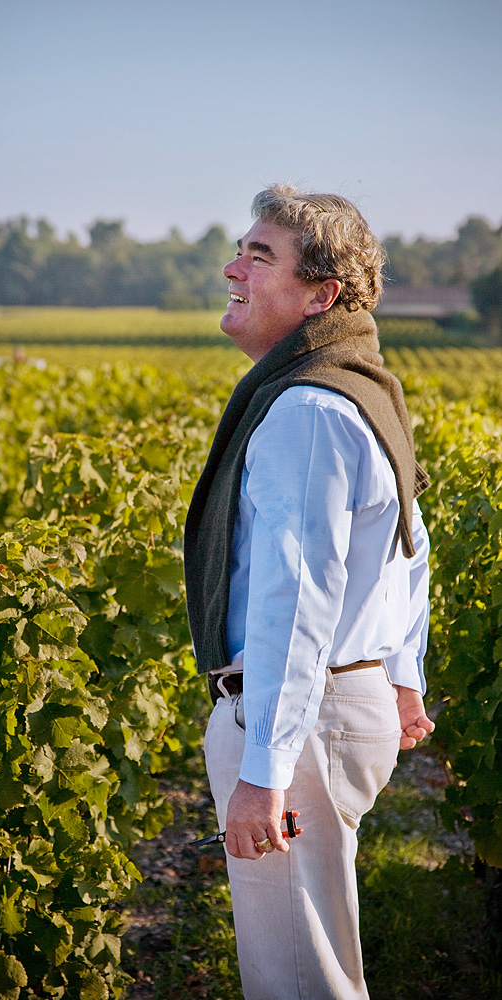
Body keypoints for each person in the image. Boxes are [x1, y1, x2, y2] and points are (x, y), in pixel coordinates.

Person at [183, 185, 435, 1000]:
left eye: (259, 257)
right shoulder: (356, 388)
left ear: (321, 295)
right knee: (308, 956)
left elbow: (296, 601)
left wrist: (267, 767)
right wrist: (402, 674)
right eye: (240, 250)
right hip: (331, 705)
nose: (233, 268)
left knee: (297, 977)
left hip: (298, 719)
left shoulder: (304, 408)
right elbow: (410, 547)